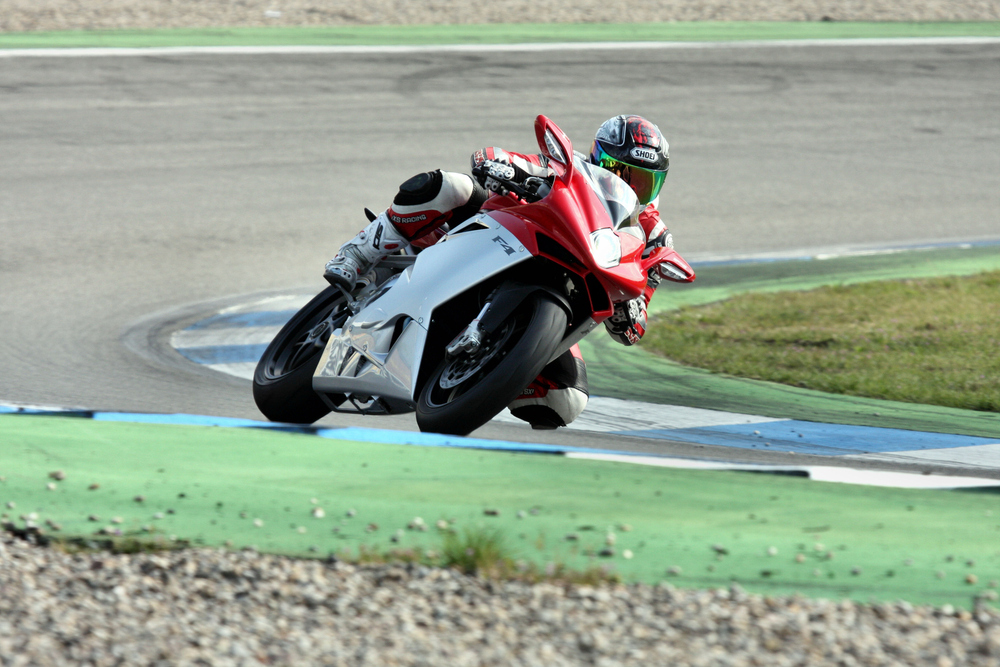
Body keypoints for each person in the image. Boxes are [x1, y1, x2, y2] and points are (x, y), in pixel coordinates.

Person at [323, 115, 674, 429]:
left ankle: (487, 373)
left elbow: (635, 321)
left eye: (642, 181)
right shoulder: (567, 169)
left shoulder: (653, 236)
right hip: (501, 236)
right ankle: (358, 254)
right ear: (600, 158)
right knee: (452, 186)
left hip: (562, 293)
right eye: (618, 170)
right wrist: (503, 168)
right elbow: (493, 157)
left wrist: (630, 310)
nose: (628, 185)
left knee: (566, 398)